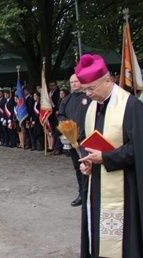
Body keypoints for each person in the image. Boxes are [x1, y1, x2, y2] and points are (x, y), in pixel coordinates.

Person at [77, 54, 143, 257]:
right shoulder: (93, 107)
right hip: (98, 180)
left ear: (108, 81)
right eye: (86, 89)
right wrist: (88, 161)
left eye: (92, 88)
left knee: (125, 238)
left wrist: (106, 158)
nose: (89, 94)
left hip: (126, 185)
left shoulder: (130, 106)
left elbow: (140, 150)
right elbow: (89, 139)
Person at [57, 74, 91, 207]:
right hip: (72, 138)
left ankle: (90, 193)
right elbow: (60, 115)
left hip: (87, 138)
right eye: (71, 82)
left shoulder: (89, 97)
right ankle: (82, 193)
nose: (74, 84)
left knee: (88, 166)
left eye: (76, 81)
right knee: (78, 168)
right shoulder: (66, 100)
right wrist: (68, 127)